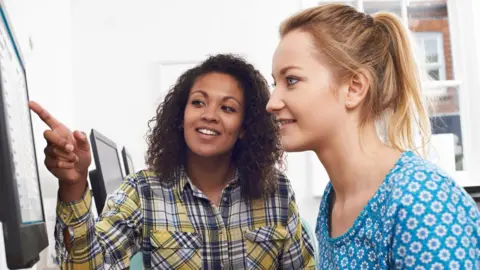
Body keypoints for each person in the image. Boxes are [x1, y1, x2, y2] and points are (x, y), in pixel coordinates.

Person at [30, 54, 316, 269]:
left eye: (227, 108)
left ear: (245, 127)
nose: (209, 115)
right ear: (181, 116)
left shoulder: (276, 191)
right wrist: (74, 184)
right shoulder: (142, 191)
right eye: (198, 102)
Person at [267, 4, 480, 269]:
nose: (272, 102)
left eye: (292, 80)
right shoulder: (334, 199)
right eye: (275, 83)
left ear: (354, 88)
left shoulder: (422, 201)